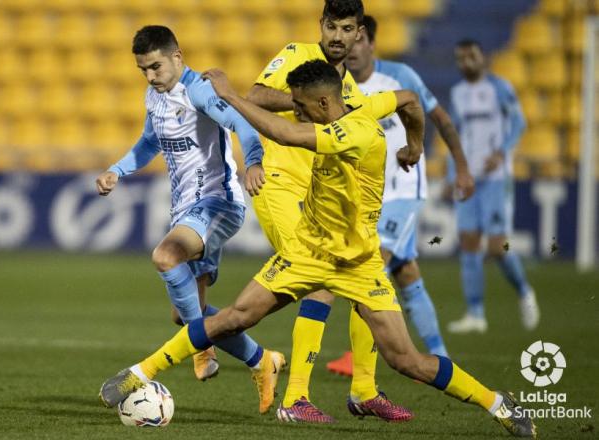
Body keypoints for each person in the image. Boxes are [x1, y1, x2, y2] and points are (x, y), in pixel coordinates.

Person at [99, 60, 536, 438]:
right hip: (306, 251)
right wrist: (416, 144)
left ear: (324, 106)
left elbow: (286, 135)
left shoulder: (355, 134)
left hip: (358, 264)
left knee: (407, 361)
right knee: (235, 316)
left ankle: (497, 403)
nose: (300, 112)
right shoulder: (363, 103)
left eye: (304, 107)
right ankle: (139, 374)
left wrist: (230, 95)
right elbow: (408, 100)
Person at [95, 25, 283, 414]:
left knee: (165, 257)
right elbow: (150, 141)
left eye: (156, 67)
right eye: (143, 69)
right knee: (184, 315)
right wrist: (118, 170)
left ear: (177, 58)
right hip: (186, 208)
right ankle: (262, 361)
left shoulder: (198, 90)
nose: (149, 76)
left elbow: (243, 123)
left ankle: (204, 346)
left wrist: (253, 162)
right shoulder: (154, 94)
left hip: (218, 203)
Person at [246, 0, 411, 422]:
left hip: (324, 203)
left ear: (360, 33)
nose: (338, 36)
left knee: (366, 276)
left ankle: (365, 390)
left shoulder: (349, 92)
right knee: (320, 279)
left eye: (348, 28)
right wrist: (300, 101)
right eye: (332, 26)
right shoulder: (298, 55)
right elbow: (256, 96)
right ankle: (295, 398)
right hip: (278, 184)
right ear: (321, 25)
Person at [325, 14, 474, 385]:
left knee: (368, 265)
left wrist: (462, 166)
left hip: (403, 193)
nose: (352, 49)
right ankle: (439, 354)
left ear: (369, 42)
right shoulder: (336, 85)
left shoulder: (400, 78)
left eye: (358, 41)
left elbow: (440, 118)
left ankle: (359, 359)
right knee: (407, 275)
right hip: (367, 198)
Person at [446, 39, 540, 334]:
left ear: (482, 58)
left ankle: (525, 292)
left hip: (497, 179)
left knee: (497, 248)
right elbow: (453, 135)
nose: (466, 63)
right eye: (461, 58)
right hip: (469, 180)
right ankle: (475, 314)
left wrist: (502, 152)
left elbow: (519, 124)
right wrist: (453, 174)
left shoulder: (500, 88)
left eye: (471, 56)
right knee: (470, 244)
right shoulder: (457, 94)